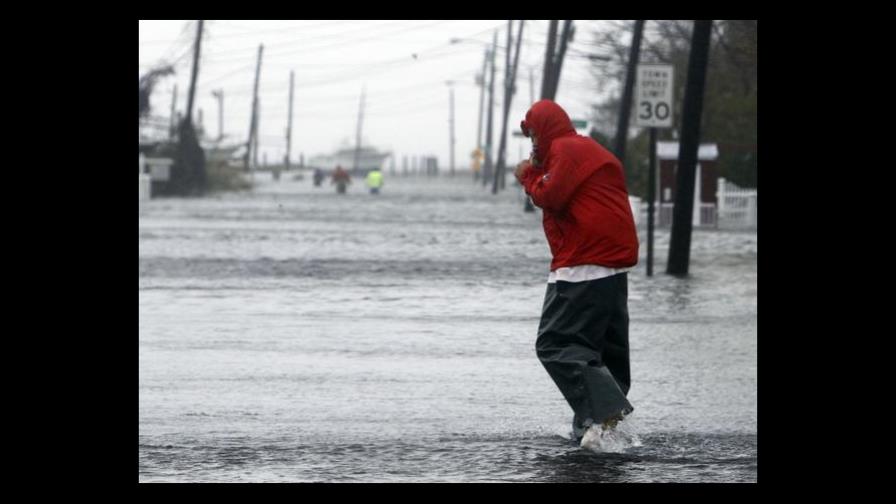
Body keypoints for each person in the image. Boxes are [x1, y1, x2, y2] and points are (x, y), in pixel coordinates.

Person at [514, 100, 639, 446]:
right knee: (600, 350)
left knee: (555, 344)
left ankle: (606, 409)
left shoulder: (566, 150)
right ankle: (597, 429)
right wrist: (539, 170)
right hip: (613, 264)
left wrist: (527, 174)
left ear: (545, 130)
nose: (532, 144)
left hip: (584, 262)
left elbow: (550, 195)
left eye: (533, 135)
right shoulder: (585, 149)